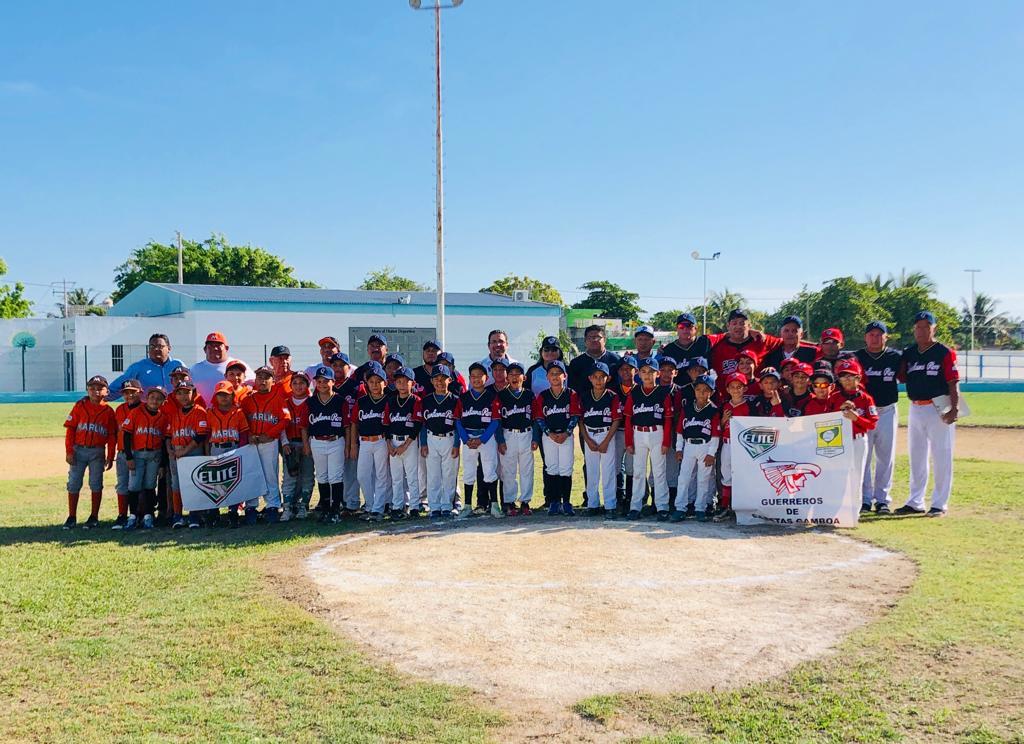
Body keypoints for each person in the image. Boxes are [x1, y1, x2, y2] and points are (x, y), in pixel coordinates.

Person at [896, 311, 960, 517]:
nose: (922, 330)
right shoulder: (909, 353)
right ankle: (915, 501)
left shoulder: (944, 352)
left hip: (938, 406)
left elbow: (953, 382)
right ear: (913, 329)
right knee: (917, 456)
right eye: (918, 326)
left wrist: (954, 408)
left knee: (942, 455)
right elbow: (902, 377)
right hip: (916, 407)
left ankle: (940, 503)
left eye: (926, 326)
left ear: (934, 328)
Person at [855, 321, 901, 515]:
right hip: (863, 412)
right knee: (864, 457)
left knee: (885, 457)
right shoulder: (856, 357)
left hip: (887, 410)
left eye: (879, 334)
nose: (875, 338)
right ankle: (864, 499)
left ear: (886, 337)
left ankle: (882, 500)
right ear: (865, 337)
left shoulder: (896, 357)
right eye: (871, 334)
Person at [62, 375, 117, 529]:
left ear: (106, 391)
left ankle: (94, 516)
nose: (96, 391)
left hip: (97, 451)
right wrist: (69, 451)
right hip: (78, 449)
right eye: (92, 388)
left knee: (96, 483)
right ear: (87, 390)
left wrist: (111, 455)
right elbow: (71, 429)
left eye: (100, 388)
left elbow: (112, 436)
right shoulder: (80, 406)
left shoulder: (108, 411)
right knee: (73, 483)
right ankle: (72, 516)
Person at [623, 358, 673, 520]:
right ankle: (635, 506)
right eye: (644, 371)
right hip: (638, 434)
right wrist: (629, 441)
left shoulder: (663, 393)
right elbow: (629, 418)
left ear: (657, 374)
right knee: (638, 472)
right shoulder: (635, 392)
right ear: (638, 373)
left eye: (651, 371)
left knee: (659, 472)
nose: (647, 375)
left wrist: (666, 442)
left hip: (657, 433)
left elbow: (667, 419)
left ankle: (662, 506)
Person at [241, 366, 291, 525]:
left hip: (269, 443)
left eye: (266, 377)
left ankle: (273, 505)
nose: (262, 381)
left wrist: (270, 434)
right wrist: (249, 434)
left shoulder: (278, 398)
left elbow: (285, 419)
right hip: (252, 443)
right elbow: (241, 420)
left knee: (270, 475)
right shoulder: (247, 399)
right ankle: (251, 507)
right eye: (259, 377)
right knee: (251, 475)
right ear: (255, 380)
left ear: (273, 380)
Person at [532, 360, 581, 516]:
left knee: (566, 468)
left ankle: (566, 502)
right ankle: (554, 502)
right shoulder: (543, 395)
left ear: (564, 376)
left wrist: (566, 433)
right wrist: (549, 433)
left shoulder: (571, 394)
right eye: (552, 374)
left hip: (566, 436)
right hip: (549, 436)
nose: (555, 376)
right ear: (547, 377)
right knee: (552, 468)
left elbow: (574, 416)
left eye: (558, 373)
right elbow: (539, 417)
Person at [832, 359, 880, 514]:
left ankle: (854, 512)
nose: (847, 379)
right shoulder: (834, 397)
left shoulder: (866, 398)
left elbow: (872, 424)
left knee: (857, 475)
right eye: (843, 376)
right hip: (838, 440)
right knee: (838, 475)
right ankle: (837, 509)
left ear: (858, 378)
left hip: (858, 439)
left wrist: (856, 418)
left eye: (851, 376)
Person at [457, 362, 503, 518]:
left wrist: (482, 439)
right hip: (468, 438)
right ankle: (468, 505)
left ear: (486, 378)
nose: (476, 379)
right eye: (473, 376)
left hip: (486, 437)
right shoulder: (463, 398)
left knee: (489, 471)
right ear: (469, 378)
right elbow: (458, 420)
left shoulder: (492, 397)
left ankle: (495, 505)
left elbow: (495, 420)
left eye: (479, 376)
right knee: (469, 472)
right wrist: (465, 439)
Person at [304, 366, 349, 523]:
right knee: (322, 476)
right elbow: (304, 426)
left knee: (335, 476)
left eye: (326, 381)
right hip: (317, 441)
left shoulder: (339, 401)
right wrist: (306, 444)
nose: (322, 384)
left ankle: (336, 509)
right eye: (319, 381)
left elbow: (347, 426)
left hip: (336, 440)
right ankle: (325, 509)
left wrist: (349, 446)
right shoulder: (310, 402)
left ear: (333, 382)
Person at [673, 375, 719, 522]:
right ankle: (680, 508)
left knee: (703, 479)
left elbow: (716, 434)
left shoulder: (713, 410)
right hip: (689, 446)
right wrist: (679, 449)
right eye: (698, 389)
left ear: (711, 392)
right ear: (694, 391)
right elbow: (680, 430)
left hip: (705, 446)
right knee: (683, 478)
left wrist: (712, 453)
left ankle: (700, 508)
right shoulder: (687, 408)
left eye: (706, 390)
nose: (701, 393)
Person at [121, 385, 168, 529]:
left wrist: (162, 464)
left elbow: (164, 442)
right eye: (152, 397)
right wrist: (129, 457)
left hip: (154, 455)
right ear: (146, 398)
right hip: (138, 454)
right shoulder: (136, 412)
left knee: (149, 485)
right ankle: (133, 516)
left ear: (163, 402)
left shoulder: (163, 418)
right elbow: (127, 435)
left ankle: (148, 516)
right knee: (134, 486)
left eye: (159, 398)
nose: (155, 401)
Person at [419, 364, 462, 519]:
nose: (439, 382)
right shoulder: (427, 400)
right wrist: (423, 443)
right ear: (431, 381)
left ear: (449, 380)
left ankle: (447, 505)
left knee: (449, 474)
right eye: (436, 379)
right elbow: (423, 424)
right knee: (433, 474)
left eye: (443, 379)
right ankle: (434, 506)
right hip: (431, 438)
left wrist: (457, 444)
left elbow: (458, 424)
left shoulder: (455, 400)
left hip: (449, 438)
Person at [164, 379, 209, 529]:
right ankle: (178, 515)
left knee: (193, 483)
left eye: (187, 392)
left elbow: (201, 435)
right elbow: (168, 435)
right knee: (176, 484)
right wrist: (169, 449)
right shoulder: (175, 414)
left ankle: (194, 515)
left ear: (194, 393)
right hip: (176, 451)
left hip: (192, 451)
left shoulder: (200, 412)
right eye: (180, 393)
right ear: (175, 395)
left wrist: (184, 451)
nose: (183, 396)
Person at [579, 362, 622, 518]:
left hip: (606, 434)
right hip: (590, 435)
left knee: (608, 471)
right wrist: (587, 439)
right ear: (590, 378)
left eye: (602, 377)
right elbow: (581, 420)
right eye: (595, 377)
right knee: (592, 471)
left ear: (608, 378)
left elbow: (616, 420)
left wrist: (606, 441)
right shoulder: (584, 397)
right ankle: (593, 504)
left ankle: (610, 505)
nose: (598, 380)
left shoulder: (612, 396)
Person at [205, 380, 250, 527]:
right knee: (216, 481)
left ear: (232, 396)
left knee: (233, 480)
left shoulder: (238, 412)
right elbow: (206, 436)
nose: (224, 398)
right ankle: (214, 511)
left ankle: (233, 510)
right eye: (220, 395)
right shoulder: (210, 413)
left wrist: (241, 451)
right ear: (215, 397)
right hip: (216, 447)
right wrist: (207, 454)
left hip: (233, 447)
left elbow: (244, 433)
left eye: (227, 394)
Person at [352, 361, 392, 521]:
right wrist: (353, 444)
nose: (375, 385)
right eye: (371, 382)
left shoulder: (389, 400)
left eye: (378, 381)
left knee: (382, 476)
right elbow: (354, 422)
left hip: (381, 440)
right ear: (366, 383)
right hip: (364, 442)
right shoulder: (361, 401)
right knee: (362, 475)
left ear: (385, 383)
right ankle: (370, 504)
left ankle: (377, 508)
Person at [496, 361, 536, 516]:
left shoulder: (529, 394)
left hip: (526, 433)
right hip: (508, 434)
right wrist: (500, 440)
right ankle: (510, 502)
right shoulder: (502, 395)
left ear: (523, 377)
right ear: (507, 377)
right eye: (511, 374)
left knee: (527, 470)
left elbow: (535, 417)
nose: (514, 377)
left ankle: (525, 502)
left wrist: (535, 438)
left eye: (517, 374)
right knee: (508, 471)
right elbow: (497, 419)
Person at [383, 367, 423, 520]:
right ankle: (397, 506)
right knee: (396, 478)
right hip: (393, 440)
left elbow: (417, 425)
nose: (401, 384)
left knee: (412, 476)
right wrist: (389, 445)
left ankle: (413, 507)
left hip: (409, 442)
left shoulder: (415, 400)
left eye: (405, 381)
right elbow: (386, 424)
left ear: (412, 383)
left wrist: (405, 445)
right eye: (398, 381)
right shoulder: (391, 401)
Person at [716, 371, 750, 522]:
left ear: (745, 389)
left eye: (739, 387)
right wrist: (723, 420)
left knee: (743, 475)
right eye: (732, 387)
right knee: (726, 473)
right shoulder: (724, 405)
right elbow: (718, 427)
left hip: (743, 446)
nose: (736, 390)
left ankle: (741, 506)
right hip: (727, 443)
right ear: (728, 390)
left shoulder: (749, 407)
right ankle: (725, 506)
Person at [708, 309, 783, 378]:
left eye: (742, 323)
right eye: (734, 323)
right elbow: (701, 341)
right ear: (728, 326)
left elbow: (786, 341)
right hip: (726, 392)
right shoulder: (717, 345)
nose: (738, 326)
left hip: (756, 391)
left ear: (749, 326)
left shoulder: (761, 340)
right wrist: (725, 334)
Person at [280, 372, 314, 521]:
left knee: (307, 475)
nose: (298, 386)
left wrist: (309, 444)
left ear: (307, 385)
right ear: (290, 385)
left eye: (302, 383)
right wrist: (284, 443)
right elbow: (281, 425)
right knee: (289, 476)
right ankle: (287, 507)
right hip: (291, 443)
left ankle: (303, 505)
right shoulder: (285, 401)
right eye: (295, 383)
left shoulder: (312, 402)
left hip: (307, 444)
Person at [109, 333, 184, 398]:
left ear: (169, 348)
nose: (156, 349)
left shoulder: (178, 365)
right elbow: (117, 387)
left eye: (160, 346)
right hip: (148, 412)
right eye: (152, 346)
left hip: (175, 411)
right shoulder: (138, 367)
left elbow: (190, 385)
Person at [111, 379, 142, 529]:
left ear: (140, 392)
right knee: (122, 484)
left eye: (133, 392)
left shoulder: (145, 408)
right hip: (123, 452)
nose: (129, 395)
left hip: (139, 452)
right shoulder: (120, 410)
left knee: (137, 485)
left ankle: (138, 514)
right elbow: (115, 433)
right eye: (126, 392)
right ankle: (122, 515)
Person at [191, 332, 252, 404]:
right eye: (210, 345)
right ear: (205, 349)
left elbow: (254, 384)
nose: (215, 348)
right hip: (202, 413)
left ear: (226, 348)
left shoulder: (239, 364)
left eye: (218, 345)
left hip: (233, 412)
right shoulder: (195, 369)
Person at [612, 356, 639, 515]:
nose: (626, 372)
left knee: (631, 467)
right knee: (615, 466)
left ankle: (630, 498)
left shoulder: (640, 389)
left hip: (634, 433)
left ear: (636, 371)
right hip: (616, 432)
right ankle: (618, 498)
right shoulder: (614, 391)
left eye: (629, 368)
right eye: (622, 369)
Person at [567, 325, 621, 397]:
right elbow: (572, 388)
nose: (594, 340)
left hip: (612, 404)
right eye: (590, 337)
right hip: (584, 405)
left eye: (598, 337)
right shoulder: (576, 363)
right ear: (585, 341)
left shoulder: (616, 360)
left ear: (604, 340)